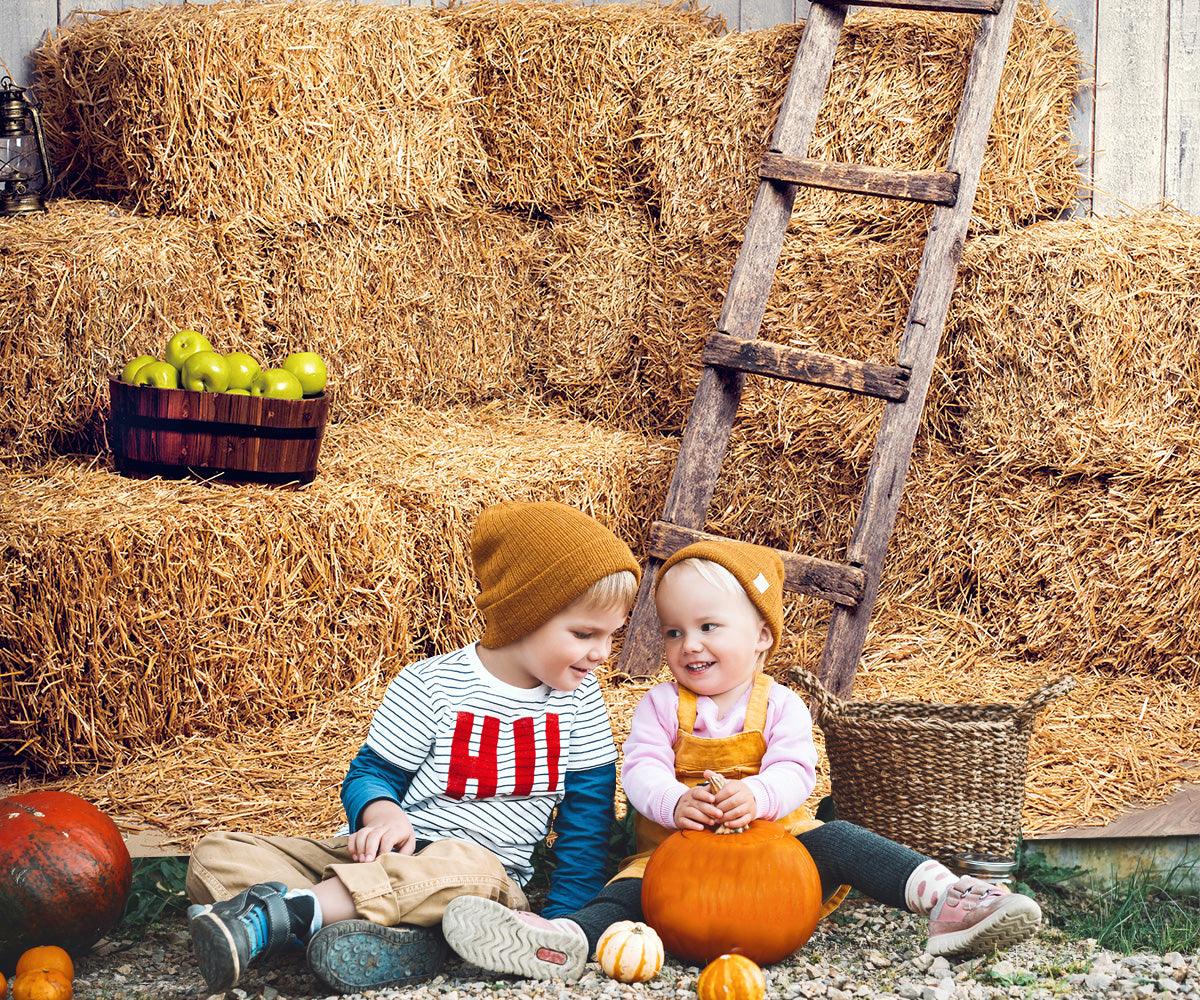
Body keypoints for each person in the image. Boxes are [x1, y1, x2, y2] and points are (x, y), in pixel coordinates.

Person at [441, 538, 1043, 981]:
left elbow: (796, 772)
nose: (688, 644)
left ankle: (947, 900)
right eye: (673, 632)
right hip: (675, 856)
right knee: (630, 893)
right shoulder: (659, 705)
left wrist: (757, 796)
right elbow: (641, 771)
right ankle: (561, 939)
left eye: (708, 626)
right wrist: (677, 802)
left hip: (775, 854)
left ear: (761, 635)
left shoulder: (781, 705)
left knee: (839, 839)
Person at [183, 500, 641, 994]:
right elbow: (369, 776)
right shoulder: (430, 685)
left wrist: (559, 924)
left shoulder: (580, 700)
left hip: (477, 880)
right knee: (219, 851)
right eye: (584, 634)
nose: (601, 654)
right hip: (376, 861)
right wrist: (381, 814)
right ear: (521, 615)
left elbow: (586, 823)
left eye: (610, 636)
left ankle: (292, 914)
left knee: (471, 867)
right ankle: (367, 930)